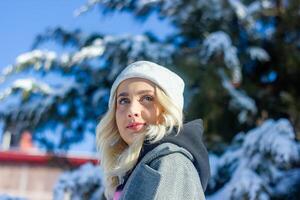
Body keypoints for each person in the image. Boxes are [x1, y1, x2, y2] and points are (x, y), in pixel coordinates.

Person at [96, 61, 210, 200]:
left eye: (147, 98)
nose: (132, 111)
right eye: (124, 101)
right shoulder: (137, 168)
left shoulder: (171, 162)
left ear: (168, 109)